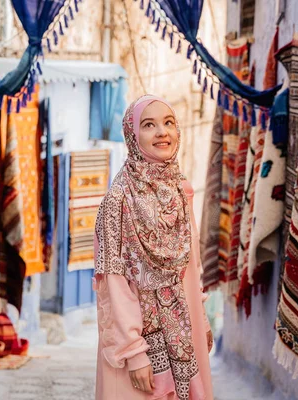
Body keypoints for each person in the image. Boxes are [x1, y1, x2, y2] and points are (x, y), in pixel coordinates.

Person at [93, 94, 214, 400]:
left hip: (186, 333)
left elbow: (192, 266)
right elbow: (114, 282)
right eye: (149, 125)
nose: (162, 132)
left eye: (169, 122)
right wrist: (134, 352)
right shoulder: (117, 200)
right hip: (138, 347)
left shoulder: (180, 190)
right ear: (133, 136)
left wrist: (202, 315)